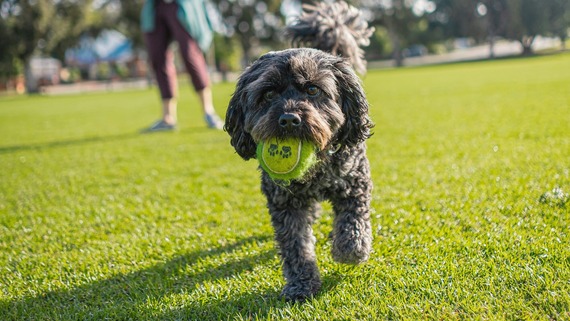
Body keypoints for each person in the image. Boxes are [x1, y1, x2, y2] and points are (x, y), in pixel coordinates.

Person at [140, 0, 223, 131]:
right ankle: (168, 117)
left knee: (191, 56)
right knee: (158, 59)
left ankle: (209, 112)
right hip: (155, 6)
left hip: (181, 5)